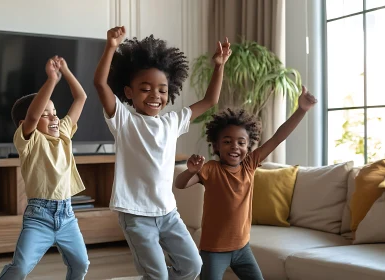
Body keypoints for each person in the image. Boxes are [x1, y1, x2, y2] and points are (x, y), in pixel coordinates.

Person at [93, 25, 231, 279]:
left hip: (168, 213)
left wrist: (219, 66)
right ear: (128, 92)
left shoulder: (173, 122)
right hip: (136, 215)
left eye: (162, 90)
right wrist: (111, 47)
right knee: (157, 275)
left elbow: (210, 101)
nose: (155, 95)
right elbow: (100, 84)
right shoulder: (124, 120)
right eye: (145, 89)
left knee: (192, 266)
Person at [174, 86, 317, 280]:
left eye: (241, 142)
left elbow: (277, 138)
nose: (235, 146)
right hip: (214, 251)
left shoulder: (250, 164)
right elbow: (180, 184)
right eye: (227, 141)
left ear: (248, 146)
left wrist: (301, 110)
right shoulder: (211, 169)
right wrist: (190, 171)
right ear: (216, 145)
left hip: (242, 249)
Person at [0, 57, 89, 280]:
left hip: (67, 216)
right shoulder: (29, 141)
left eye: (55, 112)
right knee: (20, 268)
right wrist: (51, 80)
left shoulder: (65, 131)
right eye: (46, 114)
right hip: (39, 217)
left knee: (81, 265)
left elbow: (81, 97)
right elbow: (31, 115)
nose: (54, 117)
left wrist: (66, 71)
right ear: (23, 125)